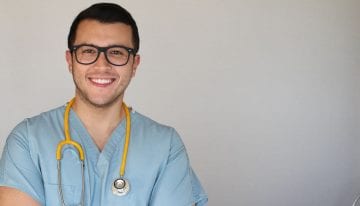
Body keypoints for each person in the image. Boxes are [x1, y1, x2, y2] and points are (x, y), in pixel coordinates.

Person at [0, 3, 208, 206]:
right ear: (70, 61)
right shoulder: (28, 140)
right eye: (88, 51)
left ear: (134, 64)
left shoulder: (166, 146)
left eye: (116, 52)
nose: (102, 65)